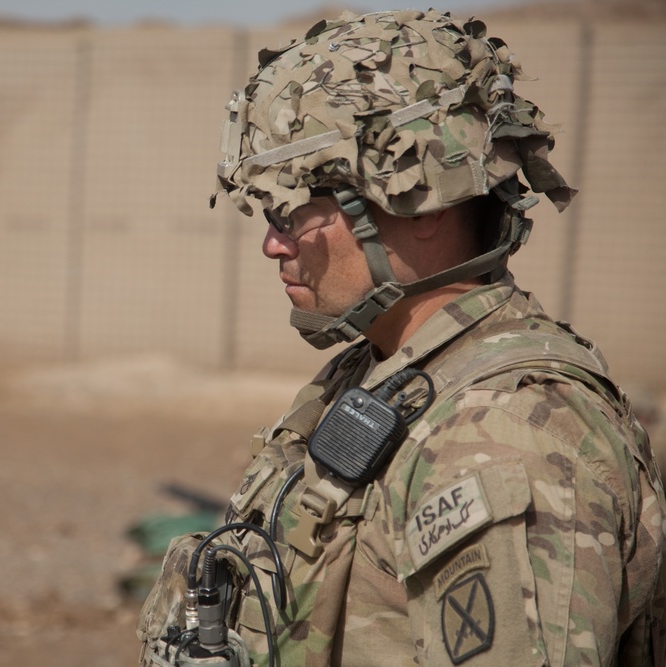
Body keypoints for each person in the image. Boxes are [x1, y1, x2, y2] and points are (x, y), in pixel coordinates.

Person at [137, 9, 666, 667]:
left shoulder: (507, 433)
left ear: (423, 203)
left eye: (296, 209)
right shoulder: (382, 371)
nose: (273, 242)